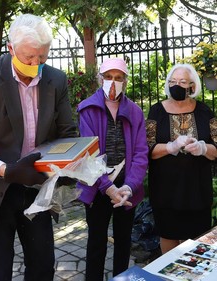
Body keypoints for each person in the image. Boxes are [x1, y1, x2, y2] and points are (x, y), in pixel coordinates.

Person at [0, 14, 77, 281]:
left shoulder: (55, 80)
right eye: (28, 58)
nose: (35, 65)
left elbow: (67, 133)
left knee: (43, 267)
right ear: (10, 49)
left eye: (42, 58)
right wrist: (7, 171)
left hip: (37, 187)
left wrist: (70, 163)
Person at [76, 57, 148, 280]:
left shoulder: (135, 112)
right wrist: (107, 188)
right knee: (96, 240)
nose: (113, 82)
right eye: (108, 77)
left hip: (126, 187)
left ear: (125, 81)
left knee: (124, 240)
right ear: (100, 78)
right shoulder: (87, 109)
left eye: (118, 78)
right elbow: (89, 155)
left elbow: (140, 153)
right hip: (98, 185)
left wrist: (129, 185)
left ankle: (121, 278)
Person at [146, 63, 217, 254]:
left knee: (197, 241)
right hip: (165, 190)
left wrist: (203, 148)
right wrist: (172, 146)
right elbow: (148, 148)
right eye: (172, 81)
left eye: (182, 82)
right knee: (168, 236)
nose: (176, 85)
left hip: (197, 190)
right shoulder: (156, 111)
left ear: (192, 86)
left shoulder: (204, 111)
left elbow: (216, 148)